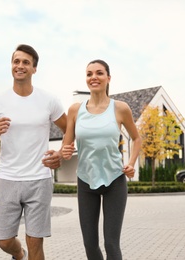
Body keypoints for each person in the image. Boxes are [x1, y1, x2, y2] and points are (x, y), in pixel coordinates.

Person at [0, 44, 67, 260]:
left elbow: (70, 129)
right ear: (11, 65)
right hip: (7, 179)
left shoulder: (49, 100)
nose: (20, 66)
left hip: (39, 179)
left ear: (34, 69)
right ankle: (18, 254)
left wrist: (60, 153)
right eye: (16, 61)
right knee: (4, 241)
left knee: (36, 243)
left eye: (26, 62)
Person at [61, 59, 142, 260]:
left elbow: (137, 138)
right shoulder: (74, 110)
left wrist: (131, 163)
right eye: (89, 74)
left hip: (114, 179)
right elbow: (66, 144)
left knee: (111, 244)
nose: (93, 77)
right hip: (86, 181)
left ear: (108, 78)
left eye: (99, 73)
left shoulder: (120, 108)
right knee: (89, 244)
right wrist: (64, 151)